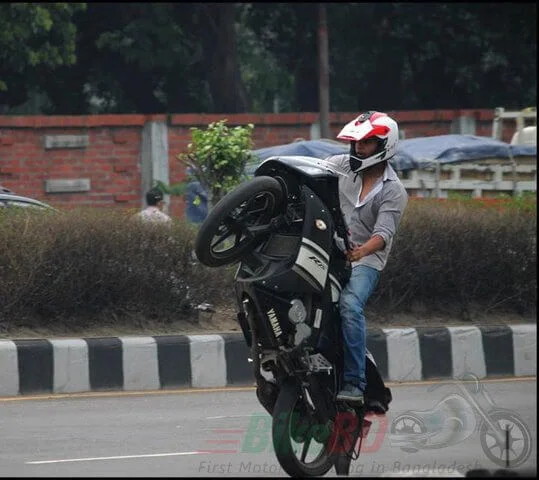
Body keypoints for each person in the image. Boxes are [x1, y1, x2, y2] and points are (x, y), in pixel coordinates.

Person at [328, 111, 408, 405]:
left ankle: (355, 384)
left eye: (367, 143)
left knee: (349, 305)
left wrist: (360, 251)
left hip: (366, 262)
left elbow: (383, 234)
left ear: (384, 145)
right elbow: (310, 175)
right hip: (333, 250)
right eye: (357, 143)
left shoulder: (393, 191)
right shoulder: (339, 167)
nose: (359, 148)